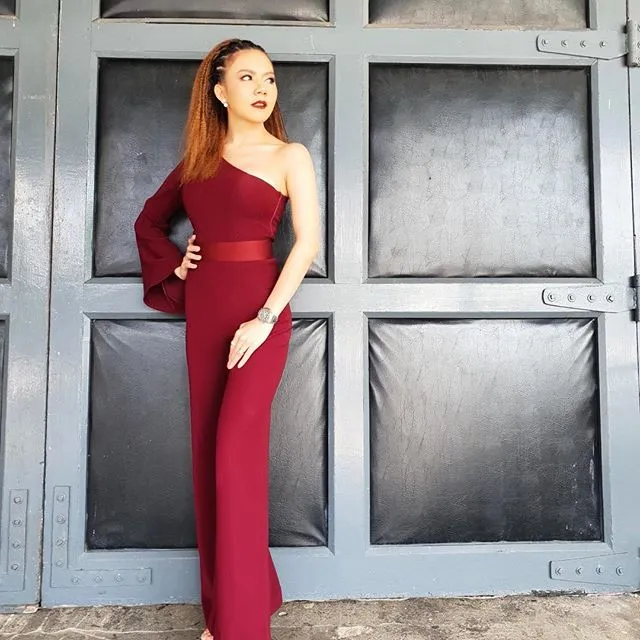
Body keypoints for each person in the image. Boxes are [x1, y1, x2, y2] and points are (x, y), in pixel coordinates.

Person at [133, 38, 320, 640]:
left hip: (261, 314)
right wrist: (178, 263)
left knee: (234, 461)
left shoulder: (290, 155)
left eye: (269, 78)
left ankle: (237, 626)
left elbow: (307, 246)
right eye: (247, 78)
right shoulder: (198, 160)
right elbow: (148, 221)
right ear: (218, 91)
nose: (263, 88)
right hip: (208, 310)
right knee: (211, 460)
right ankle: (250, 593)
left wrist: (264, 318)